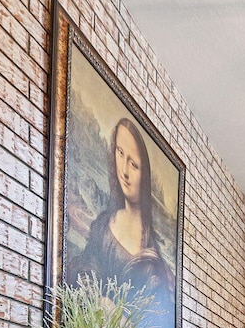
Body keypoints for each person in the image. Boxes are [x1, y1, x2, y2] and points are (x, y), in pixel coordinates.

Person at [72, 117, 173, 304]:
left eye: (134, 164)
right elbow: (85, 267)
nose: (124, 171)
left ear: (145, 175)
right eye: (120, 153)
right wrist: (98, 299)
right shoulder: (104, 225)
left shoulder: (153, 256)